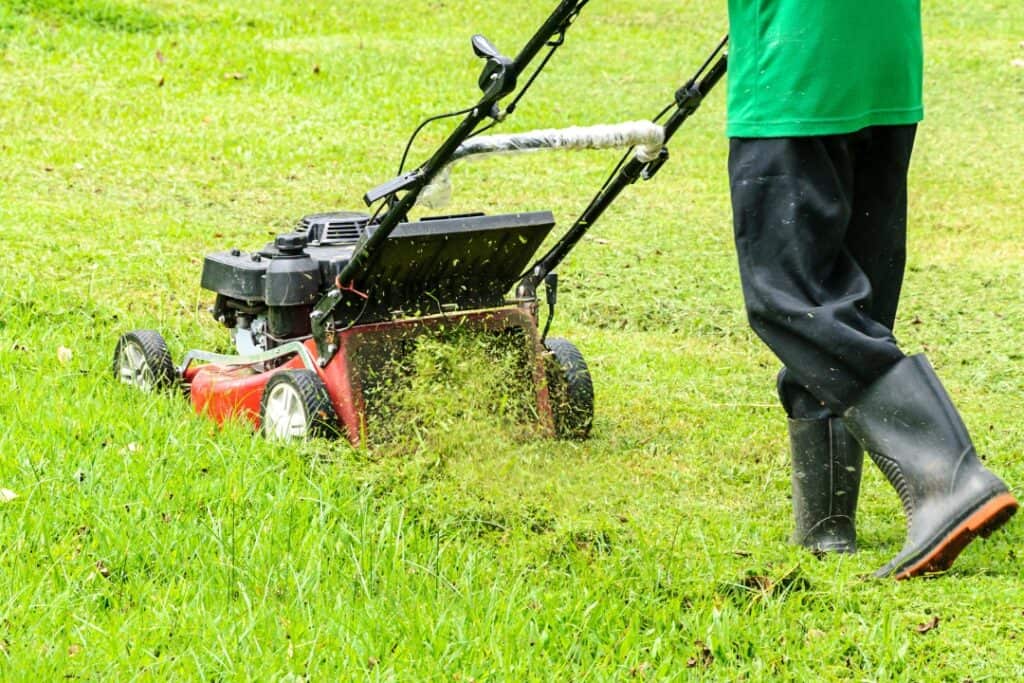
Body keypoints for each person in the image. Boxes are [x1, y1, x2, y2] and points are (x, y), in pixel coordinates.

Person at [725, 0, 1018, 578]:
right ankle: (825, 524)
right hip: (885, 60)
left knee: (792, 297)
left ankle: (946, 476)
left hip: (797, 64)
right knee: (849, 297)